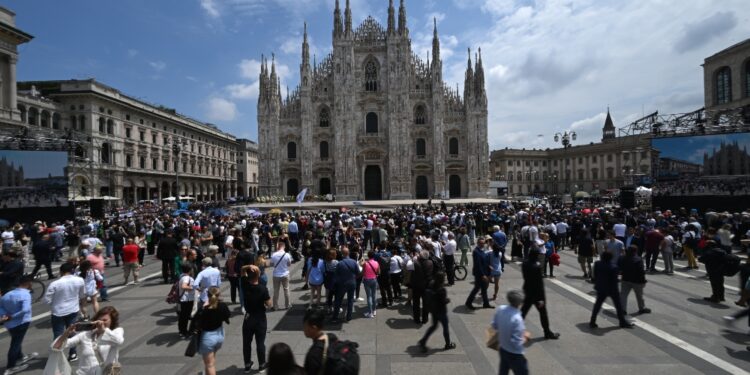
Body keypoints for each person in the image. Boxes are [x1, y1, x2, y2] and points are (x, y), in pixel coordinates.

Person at [51, 306, 124, 375]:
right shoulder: (86, 335)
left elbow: (119, 341)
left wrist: (104, 330)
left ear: (112, 321)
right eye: (99, 320)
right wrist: (66, 333)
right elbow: (56, 347)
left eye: (105, 320)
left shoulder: (116, 332)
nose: (101, 322)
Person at [45, 262, 85, 362]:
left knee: (58, 334)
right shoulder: (79, 280)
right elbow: (82, 295)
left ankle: (57, 354)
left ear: (61, 271)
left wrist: (55, 302)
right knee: (72, 332)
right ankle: (73, 353)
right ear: (73, 270)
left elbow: (46, 300)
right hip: (73, 309)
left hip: (58, 311)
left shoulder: (55, 283)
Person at [0, 275, 37, 375]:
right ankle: (10, 366)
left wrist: (4, 316)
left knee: (16, 340)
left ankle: (21, 356)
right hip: (21, 323)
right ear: (29, 283)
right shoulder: (26, 295)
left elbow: (1, 306)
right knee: (15, 344)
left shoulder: (8, 294)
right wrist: (12, 316)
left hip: (9, 324)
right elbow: (25, 310)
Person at [520, 248, 560, 339]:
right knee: (543, 314)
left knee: (523, 312)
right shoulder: (537, 266)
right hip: (537, 295)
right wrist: (541, 298)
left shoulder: (524, 263)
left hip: (528, 291)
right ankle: (547, 332)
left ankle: (512, 330)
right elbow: (539, 284)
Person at [589, 251, 634, 329]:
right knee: (618, 306)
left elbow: (595, 275)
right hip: (612, 289)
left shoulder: (597, 264)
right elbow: (614, 280)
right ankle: (622, 322)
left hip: (601, 287)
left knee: (597, 305)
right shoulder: (614, 267)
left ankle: (592, 321)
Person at [241, 265, 271, 373]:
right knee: (260, 342)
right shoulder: (263, 288)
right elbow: (269, 304)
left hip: (248, 318)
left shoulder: (245, 285)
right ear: (258, 275)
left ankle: (247, 364)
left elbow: (242, 270)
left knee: (246, 342)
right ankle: (262, 364)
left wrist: (248, 266)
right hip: (260, 318)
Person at [491, 290, 530, 375]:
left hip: (503, 349)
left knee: (503, 372)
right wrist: (525, 337)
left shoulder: (500, 309)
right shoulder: (517, 319)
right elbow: (516, 343)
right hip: (514, 355)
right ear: (520, 303)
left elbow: (494, 325)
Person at [195, 287, 231, 375]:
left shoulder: (204, 309)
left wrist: (202, 308)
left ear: (208, 296)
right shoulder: (222, 306)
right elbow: (228, 315)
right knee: (211, 361)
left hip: (208, 338)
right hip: (219, 335)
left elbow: (196, 323)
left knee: (209, 365)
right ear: (219, 295)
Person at [417, 272, 456, 352]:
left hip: (434, 310)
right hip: (441, 312)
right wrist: (447, 300)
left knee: (433, 326)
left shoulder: (431, 284)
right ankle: (448, 344)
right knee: (445, 327)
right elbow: (442, 301)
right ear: (442, 280)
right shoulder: (442, 290)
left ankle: (423, 341)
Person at [303, 308, 337, 375]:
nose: (303, 330)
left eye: (305, 327)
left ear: (314, 328)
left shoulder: (313, 354)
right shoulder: (331, 337)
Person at [618, 245, 651, 315]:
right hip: (637, 281)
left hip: (625, 279)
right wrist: (643, 281)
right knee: (639, 296)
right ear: (635, 251)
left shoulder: (622, 258)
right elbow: (641, 271)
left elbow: (619, 268)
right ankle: (641, 308)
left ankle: (622, 309)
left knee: (623, 295)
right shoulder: (638, 259)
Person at [332, 248, 360, 322]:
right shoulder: (354, 262)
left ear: (342, 254)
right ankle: (349, 317)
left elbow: (336, 275)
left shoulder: (340, 263)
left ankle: (335, 316)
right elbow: (358, 273)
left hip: (342, 284)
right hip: (352, 283)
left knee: (338, 300)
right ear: (349, 253)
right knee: (350, 300)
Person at [465, 237, 492, 310]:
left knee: (483, 289)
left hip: (484, 272)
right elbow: (478, 264)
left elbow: (484, 260)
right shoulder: (476, 251)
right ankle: (468, 302)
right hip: (479, 274)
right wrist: (483, 274)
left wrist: (488, 266)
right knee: (477, 289)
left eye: (483, 243)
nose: (482, 244)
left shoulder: (482, 250)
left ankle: (486, 304)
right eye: (481, 243)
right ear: (477, 243)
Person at [412, 250, 434, 324]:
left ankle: (417, 319)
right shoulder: (430, 263)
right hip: (426, 286)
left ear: (420, 256)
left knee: (416, 303)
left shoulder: (415, 263)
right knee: (426, 303)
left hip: (416, 286)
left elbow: (411, 274)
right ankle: (425, 319)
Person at [270, 240, 292, 310]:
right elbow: (289, 264)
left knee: (276, 291)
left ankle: (275, 306)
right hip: (285, 274)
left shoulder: (274, 255)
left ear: (278, 246)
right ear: (284, 247)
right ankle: (287, 305)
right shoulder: (287, 255)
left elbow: (271, 264)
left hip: (276, 275)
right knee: (286, 290)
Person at [177, 263, 195, 338]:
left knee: (182, 317)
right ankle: (184, 332)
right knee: (185, 317)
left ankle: (182, 331)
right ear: (190, 270)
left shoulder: (181, 276)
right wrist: (193, 287)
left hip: (183, 299)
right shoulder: (186, 278)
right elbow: (183, 286)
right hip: (187, 300)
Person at [361, 250, 380, 319]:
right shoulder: (376, 263)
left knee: (369, 296)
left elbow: (362, 273)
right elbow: (378, 272)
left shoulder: (365, 264)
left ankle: (370, 312)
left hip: (367, 280)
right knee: (374, 295)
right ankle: (374, 310)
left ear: (368, 256)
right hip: (374, 280)